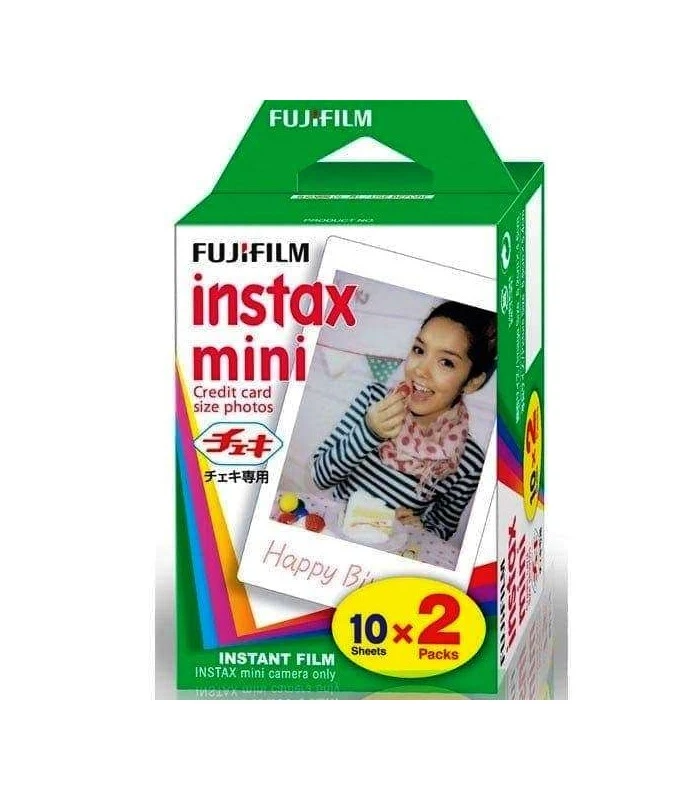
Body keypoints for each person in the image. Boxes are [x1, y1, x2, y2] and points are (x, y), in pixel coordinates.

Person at [311, 301, 496, 541]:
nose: (420, 370)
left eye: (446, 362)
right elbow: (320, 476)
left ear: (472, 382)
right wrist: (370, 431)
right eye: (419, 350)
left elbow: (442, 528)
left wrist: (419, 528)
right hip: (334, 534)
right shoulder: (374, 401)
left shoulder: (469, 461)